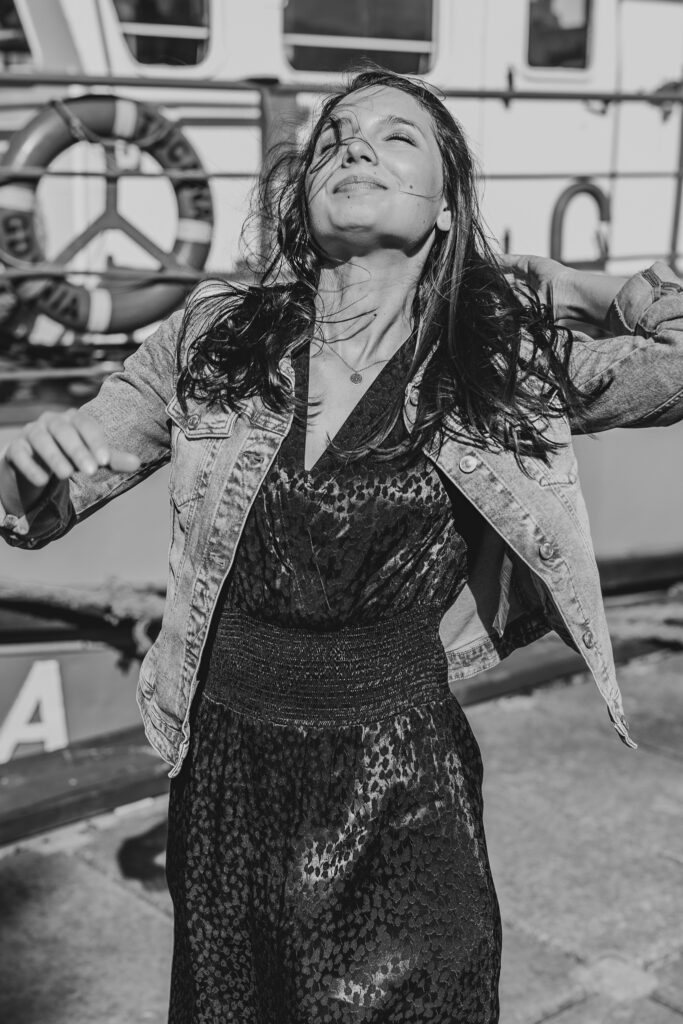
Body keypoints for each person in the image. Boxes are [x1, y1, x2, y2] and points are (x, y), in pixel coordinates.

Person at [1, 67, 682, 1024]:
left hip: (401, 785)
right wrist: (22, 463)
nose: (353, 144)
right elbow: (45, 492)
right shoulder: (213, 337)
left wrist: (570, 287)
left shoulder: (500, 357)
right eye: (333, 137)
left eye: (397, 137)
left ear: (447, 206)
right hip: (227, 778)